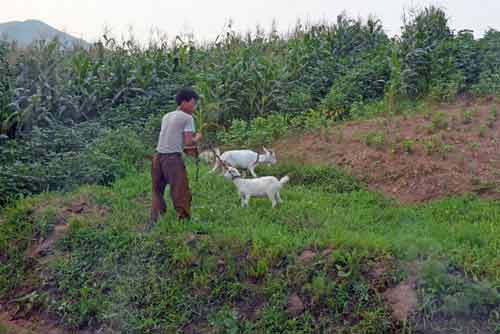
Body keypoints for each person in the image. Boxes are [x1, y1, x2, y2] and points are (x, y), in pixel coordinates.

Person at [150, 87, 202, 223]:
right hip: (172, 159)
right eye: (193, 102)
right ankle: (184, 219)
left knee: (157, 189)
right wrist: (197, 138)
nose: (194, 106)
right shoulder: (187, 118)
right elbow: (188, 142)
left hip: (157, 157)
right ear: (184, 102)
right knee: (180, 189)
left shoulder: (167, 116)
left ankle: (156, 217)